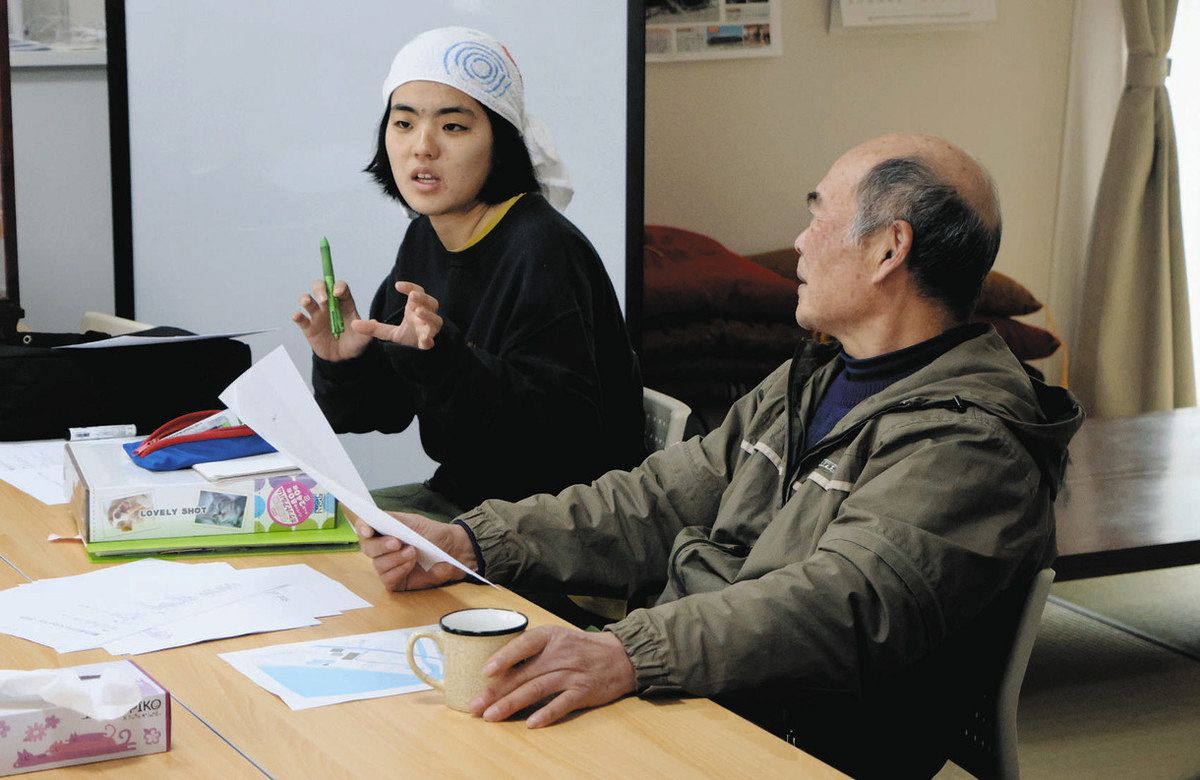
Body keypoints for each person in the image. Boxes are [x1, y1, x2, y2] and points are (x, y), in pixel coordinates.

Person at [357, 133, 1083, 778]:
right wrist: (473, 542)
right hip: (701, 684)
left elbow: (834, 605)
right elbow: (660, 498)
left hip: (791, 735)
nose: (800, 242)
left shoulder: (970, 441)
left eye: (818, 217)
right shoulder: (813, 378)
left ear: (888, 250)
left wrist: (627, 652)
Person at [292, 27, 645, 520]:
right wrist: (345, 361)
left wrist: (444, 358)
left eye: (453, 126)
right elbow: (385, 411)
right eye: (403, 123)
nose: (422, 147)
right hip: (463, 501)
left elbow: (564, 438)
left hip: (556, 522)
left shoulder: (542, 247)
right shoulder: (423, 236)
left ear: (500, 143)